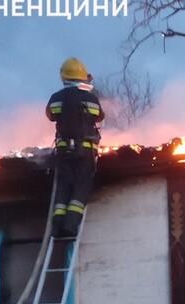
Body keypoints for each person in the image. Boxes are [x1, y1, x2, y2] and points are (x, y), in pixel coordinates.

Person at [46, 57, 105, 237]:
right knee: (82, 186)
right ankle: (71, 224)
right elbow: (100, 116)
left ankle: (57, 226)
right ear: (82, 76)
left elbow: (50, 114)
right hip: (84, 150)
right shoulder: (89, 98)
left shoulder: (56, 98)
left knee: (63, 186)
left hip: (63, 151)